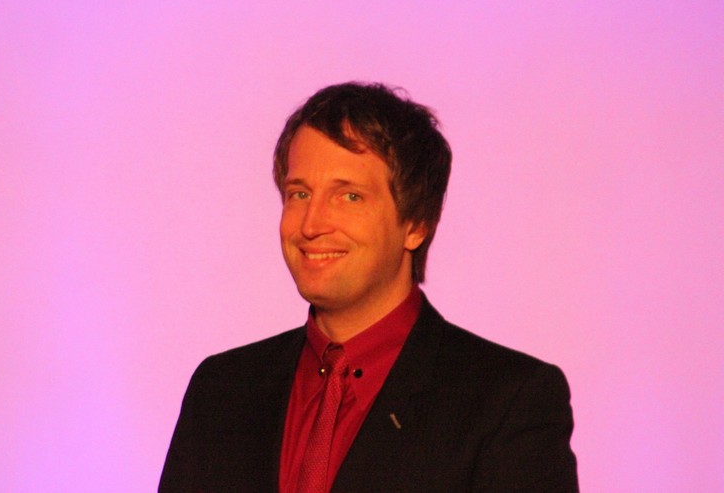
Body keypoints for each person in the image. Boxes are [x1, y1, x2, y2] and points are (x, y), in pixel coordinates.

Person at [159, 82, 579, 492]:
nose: (311, 225)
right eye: (299, 194)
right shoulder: (221, 391)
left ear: (415, 224)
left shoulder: (508, 402)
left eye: (349, 197)